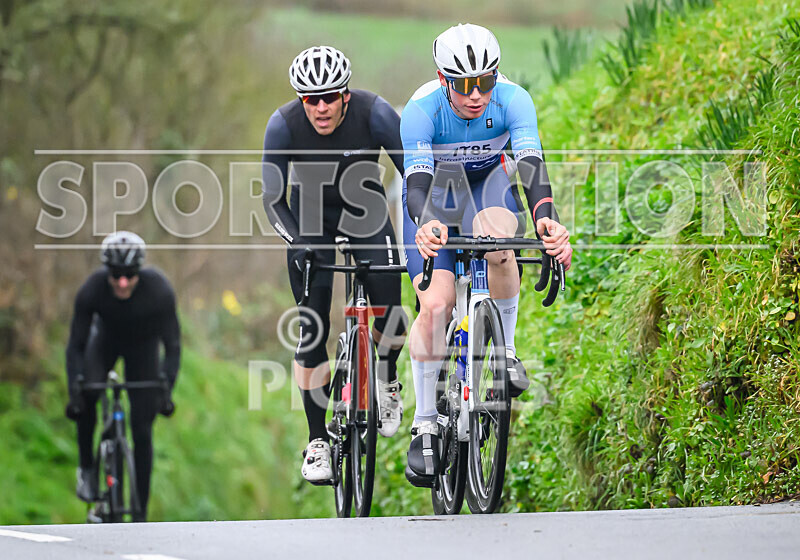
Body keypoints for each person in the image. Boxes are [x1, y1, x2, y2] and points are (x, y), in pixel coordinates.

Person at [400, 23, 573, 486]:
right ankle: (424, 424)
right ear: (443, 80)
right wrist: (425, 223)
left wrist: (546, 219)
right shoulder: (420, 110)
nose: (476, 95)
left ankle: (505, 353)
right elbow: (416, 182)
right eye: (464, 85)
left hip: (489, 185)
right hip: (436, 192)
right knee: (435, 305)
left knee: (502, 240)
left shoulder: (514, 101)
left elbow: (532, 166)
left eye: (486, 82)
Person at [261, 46, 408, 484]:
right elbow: (272, 199)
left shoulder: (376, 114)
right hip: (309, 221)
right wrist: (297, 241)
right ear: (300, 100)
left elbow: (414, 175)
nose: (320, 107)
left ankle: (385, 375)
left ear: (346, 95)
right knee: (313, 327)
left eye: (329, 97)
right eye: (311, 99)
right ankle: (317, 441)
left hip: (367, 214)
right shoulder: (282, 126)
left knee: (392, 313)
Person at [65, 231, 180, 521]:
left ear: (139, 271)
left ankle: (140, 510)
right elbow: (76, 345)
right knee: (88, 396)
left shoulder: (160, 290)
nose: (123, 282)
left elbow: (173, 346)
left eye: (129, 274)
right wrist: (75, 390)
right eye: (116, 275)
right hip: (105, 343)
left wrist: (166, 390)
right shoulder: (92, 288)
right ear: (107, 272)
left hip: (144, 348)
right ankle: (87, 469)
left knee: (142, 429)